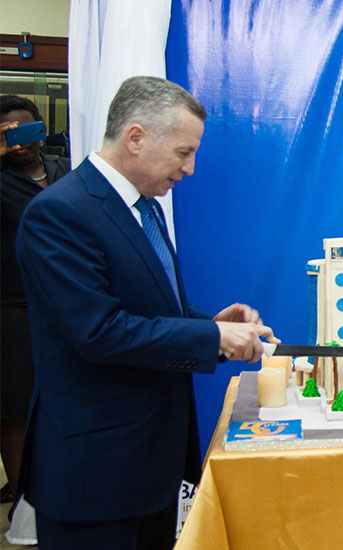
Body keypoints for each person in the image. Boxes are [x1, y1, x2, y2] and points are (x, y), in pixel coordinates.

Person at [15, 76, 278, 550]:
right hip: (95, 475)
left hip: (150, 466)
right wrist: (212, 340)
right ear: (135, 137)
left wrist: (209, 325)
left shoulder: (144, 206)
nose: (190, 168)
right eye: (183, 152)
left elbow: (147, 305)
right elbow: (98, 331)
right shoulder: (60, 213)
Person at [1, 96, 72, 505]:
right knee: (15, 405)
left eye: (24, 130)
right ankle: (22, 501)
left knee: (59, 397)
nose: (19, 141)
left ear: (41, 130)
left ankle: (55, 490)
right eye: (6, 134)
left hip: (64, 301)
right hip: (14, 305)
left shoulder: (65, 169)